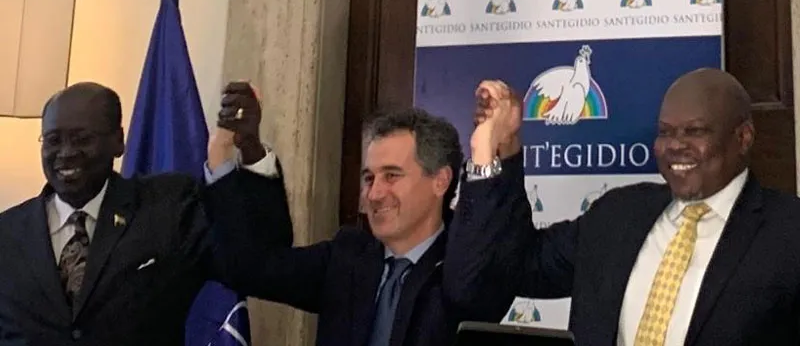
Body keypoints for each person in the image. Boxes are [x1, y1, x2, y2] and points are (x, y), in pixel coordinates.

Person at [446, 69, 800, 346]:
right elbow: (510, 266)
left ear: (743, 138)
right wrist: (496, 149)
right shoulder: (618, 215)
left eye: (695, 131)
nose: (675, 146)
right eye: (665, 132)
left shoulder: (789, 232)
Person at [0, 81, 293, 345]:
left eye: (82, 139)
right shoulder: (7, 234)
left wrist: (249, 151)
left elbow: (256, 261)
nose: (65, 153)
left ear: (118, 141)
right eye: (53, 140)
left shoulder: (169, 207)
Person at [215, 103, 520, 346]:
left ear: (440, 181)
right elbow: (255, 266)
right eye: (369, 178)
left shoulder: (466, 269)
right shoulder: (347, 256)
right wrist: (241, 152)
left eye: (392, 176)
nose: (374, 194)